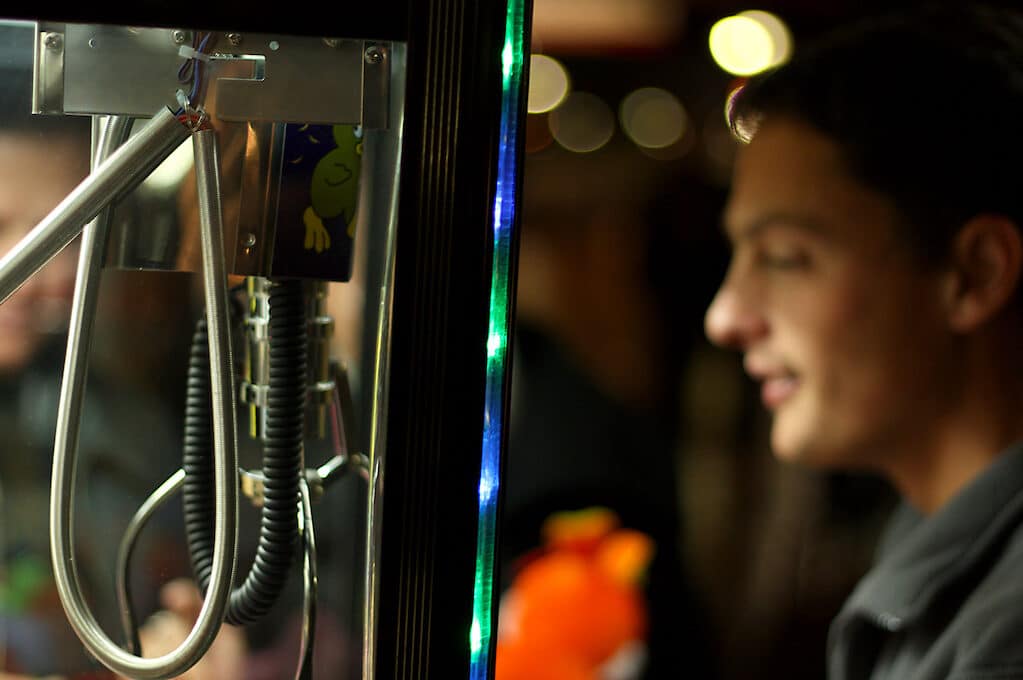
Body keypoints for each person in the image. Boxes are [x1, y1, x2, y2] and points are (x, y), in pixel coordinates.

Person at [703, 3, 1023, 678]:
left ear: (974, 274)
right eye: (737, 255)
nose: (725, 317)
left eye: (785, 257)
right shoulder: (930, 531)